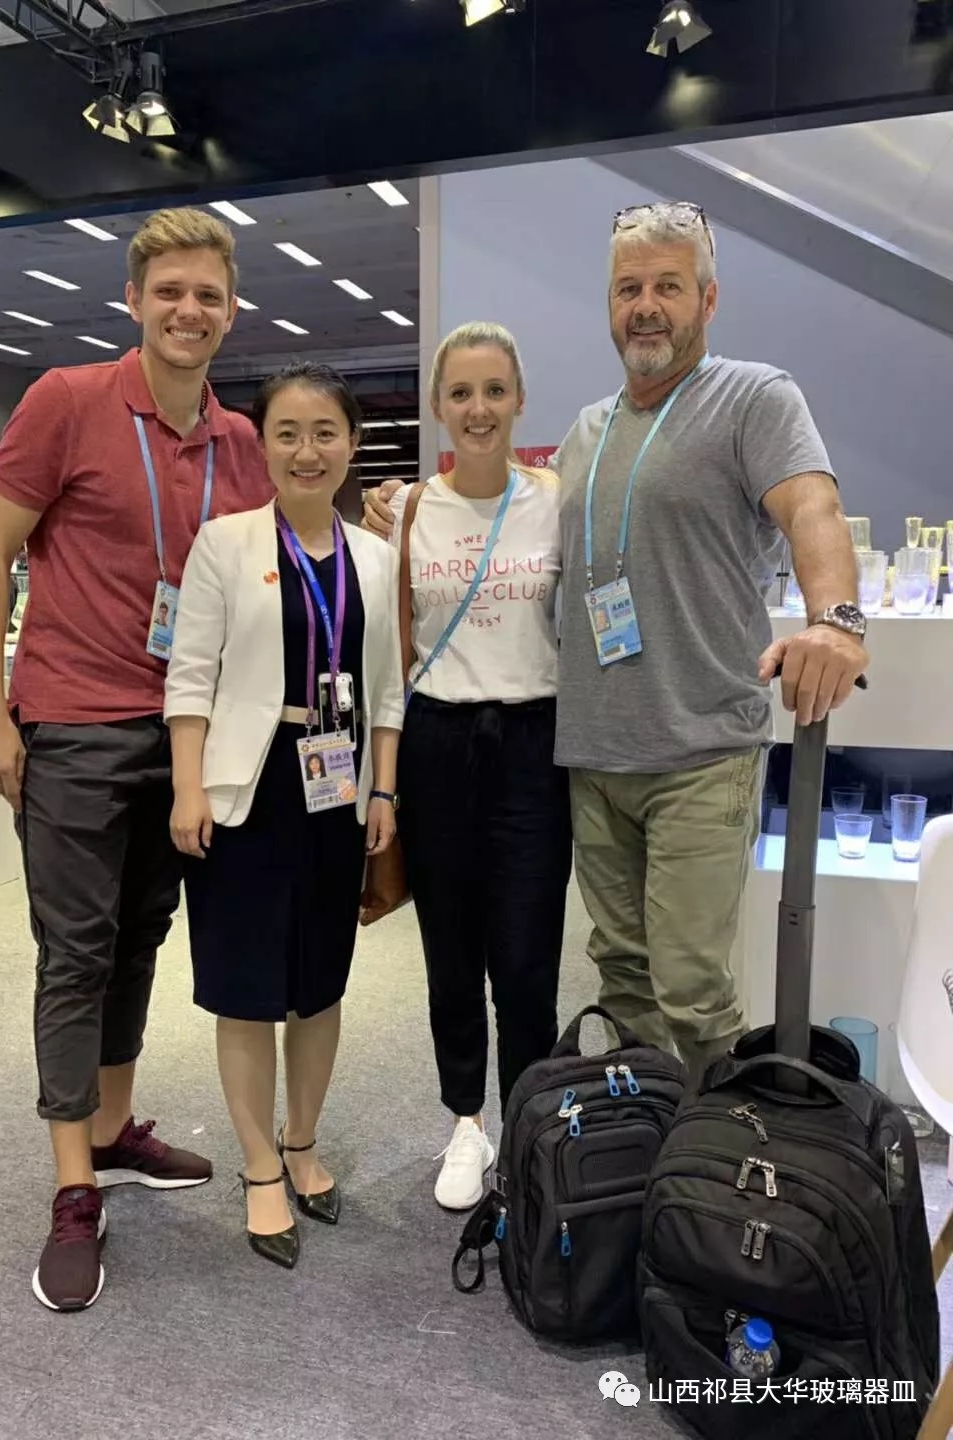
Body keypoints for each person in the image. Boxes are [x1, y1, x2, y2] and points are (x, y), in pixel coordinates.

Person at [364, 200, 868, 1081]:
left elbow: (812, 506)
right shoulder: (589, 432)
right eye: (629, 289)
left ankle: (713, 1149)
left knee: (693, 987)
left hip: (700, 750)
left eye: (668, 286)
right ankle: (646, 1136)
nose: (646, 307)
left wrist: (836, 618)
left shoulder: (754, 397)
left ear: (708, 299)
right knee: (624, 979)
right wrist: (401, 508)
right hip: (594, 758)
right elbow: (506, 520)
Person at [0, 206, 273, 1313]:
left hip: (183, 734)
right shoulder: (68, 400)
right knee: (75, 952)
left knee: (141, 939)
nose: (190, 310)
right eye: (170, 292)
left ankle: (111, 1126)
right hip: (75, 725)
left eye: (209, 295)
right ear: (134, 301)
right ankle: (73, 1188)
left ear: (231, 312)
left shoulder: (239, 443)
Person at [165, 361, 404, 1270]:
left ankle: (302, 1139)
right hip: (248, 789)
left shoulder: (375, 558)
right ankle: (260, 1163)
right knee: (246, 986)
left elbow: (389, 692)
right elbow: (190, 677)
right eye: (288, 434)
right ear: (261, 445)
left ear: (352, 444)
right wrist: (188, 786)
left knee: (319, 981)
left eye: (326, 433)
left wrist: (383, 789)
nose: (308, 451)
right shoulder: (224, 543)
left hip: (336, 787)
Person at [384, 322, 571, 1212]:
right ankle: (466, 1122)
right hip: (438, 742)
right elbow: (394, 649)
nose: (479, 408)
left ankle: (528, 1128)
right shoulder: (409, 512)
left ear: (520, 399)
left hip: (534, 742)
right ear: (438, 407)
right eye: (460, 392)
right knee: (451, 952)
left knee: (528, 957)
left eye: (495, 390)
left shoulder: (556, 502)